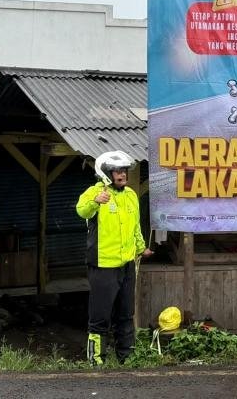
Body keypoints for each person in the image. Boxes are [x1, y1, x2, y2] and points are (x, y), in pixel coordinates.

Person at [76, 150, 153, 366]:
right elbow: (81, 210)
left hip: (127, 264)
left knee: (126, 313)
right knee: (100, 316)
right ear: (107, 173)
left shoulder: (130, 195)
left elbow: (135, 227)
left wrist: (141, 247)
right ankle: (96, 360)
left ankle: (126, 358)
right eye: (118, 171)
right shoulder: (95, 192)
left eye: (124, 171)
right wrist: (95, 201)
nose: (123, 175)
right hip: (103, 265)